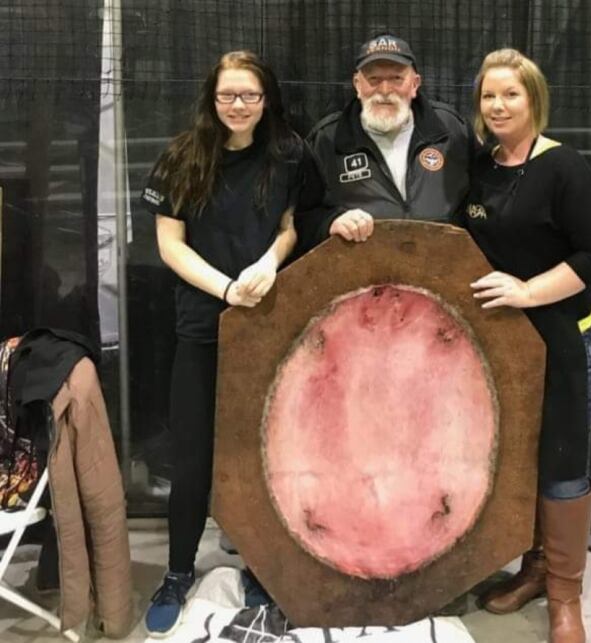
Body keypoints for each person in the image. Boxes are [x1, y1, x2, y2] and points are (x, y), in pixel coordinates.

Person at [140, 50, 322, 637]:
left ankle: (262, 568)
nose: (237, 106)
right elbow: (170, 244)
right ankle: (176, 571)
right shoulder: (181, 157)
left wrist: (269, 262)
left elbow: (292, 226)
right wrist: (224, 289)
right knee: (193, 463)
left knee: (264, 459)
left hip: (269, 330)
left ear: (266, 99)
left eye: (248, 95)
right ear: (211, 99)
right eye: (227, 96)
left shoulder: (290, 154)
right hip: (202, 327)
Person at [462, 49, 591, 643]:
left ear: (534, 99)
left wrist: (528, 292)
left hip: (563, 336)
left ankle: (564, 597)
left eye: (511, 95)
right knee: (514, 458)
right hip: (500, 342)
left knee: (561, 464)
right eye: (488, 97)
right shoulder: (481, 167)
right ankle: (532, 568)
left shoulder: (564, 168)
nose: (498, 106)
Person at [300, 33, 474, 247]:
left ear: (415, 84)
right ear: (357, 85)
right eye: (373, 79)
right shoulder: (326, 140)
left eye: (396, 78)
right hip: (361, 274)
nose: (384, 90)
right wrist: (329, 223)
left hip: (442, 270)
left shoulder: (452, 129)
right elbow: (299, 218)